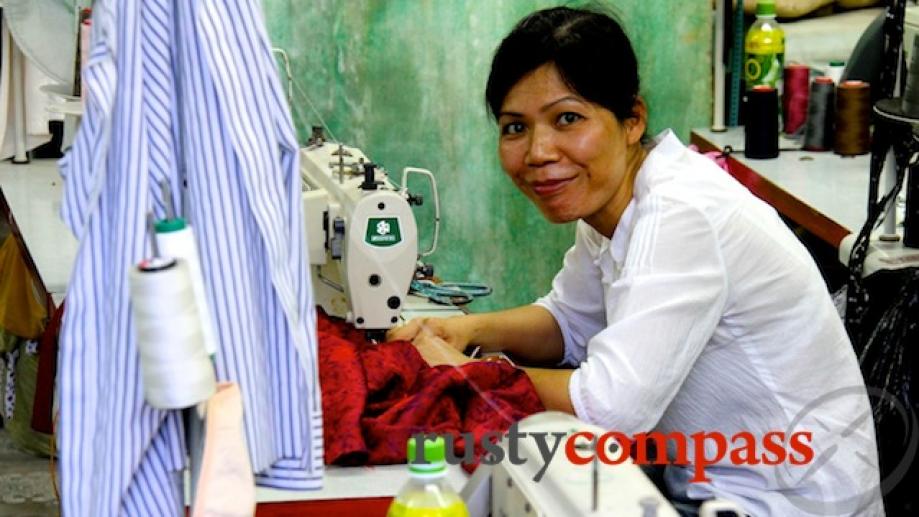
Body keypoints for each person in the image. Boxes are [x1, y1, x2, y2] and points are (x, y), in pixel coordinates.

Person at [389, 6, 883, 516]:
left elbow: (608, 409)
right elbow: (568, 322)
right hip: (709, 478)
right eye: (515, 127)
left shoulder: (678, 215)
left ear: (632, 120)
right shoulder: (613, 203)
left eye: (567, 119)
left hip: (787, 501)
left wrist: (469, 374)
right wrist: (464, 331)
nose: (538, 151)